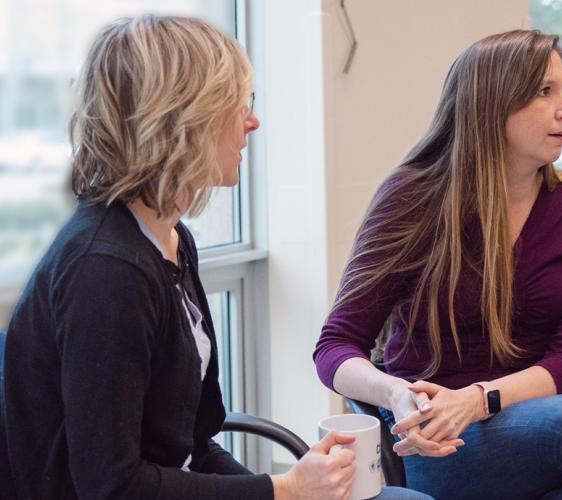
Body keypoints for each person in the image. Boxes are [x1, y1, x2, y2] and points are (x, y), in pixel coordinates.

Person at [1, 14, 432, 500]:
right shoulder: (106, 269)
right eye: (237, 104)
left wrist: (286, 488)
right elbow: (112, 487)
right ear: (182, 119)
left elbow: (195, 443)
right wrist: (283, 488)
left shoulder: (170, 239)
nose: (253, 120)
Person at [314, 29, 562, 500]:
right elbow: (335, 347)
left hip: (532, 422)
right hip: (443, 443)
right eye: (543, 92)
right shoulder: (414, 198)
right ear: (493, 103)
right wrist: (395, 394)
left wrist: (480, 399)